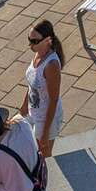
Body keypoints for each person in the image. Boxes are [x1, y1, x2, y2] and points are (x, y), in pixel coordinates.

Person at [21, 20, 64, 158]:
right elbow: (32, 84)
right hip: (34, 111)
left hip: (45, 118)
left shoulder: (51, 65)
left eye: (34, 41)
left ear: (47, 40)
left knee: (43, 155)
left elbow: (53, 100)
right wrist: (23, 106)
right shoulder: (38, 53)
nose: (30, 45)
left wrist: (45, 133)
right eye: (29, 39)